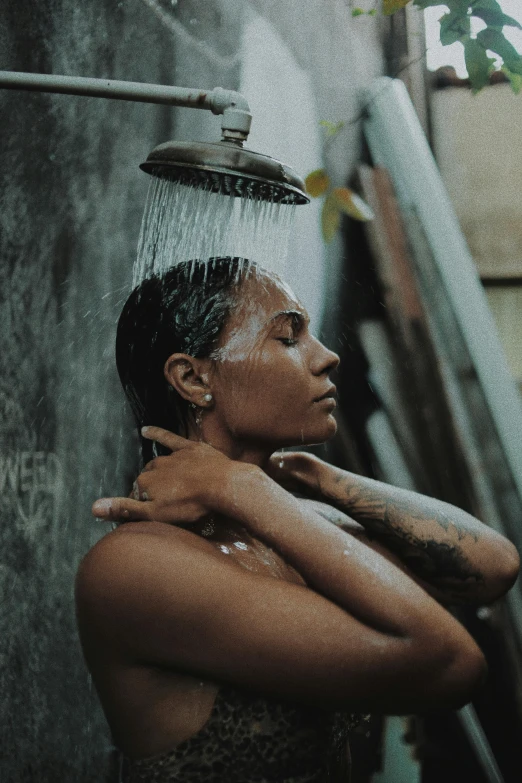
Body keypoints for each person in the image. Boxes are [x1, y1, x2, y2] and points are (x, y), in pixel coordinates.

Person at [75, 257, 520, 783]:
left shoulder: (285, 524)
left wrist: (313, 476)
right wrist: (238, 485)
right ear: (193, 379)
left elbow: (492, 567)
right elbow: (450, 667)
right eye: (289, 338)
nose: (327, 357)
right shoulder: (136, 568)